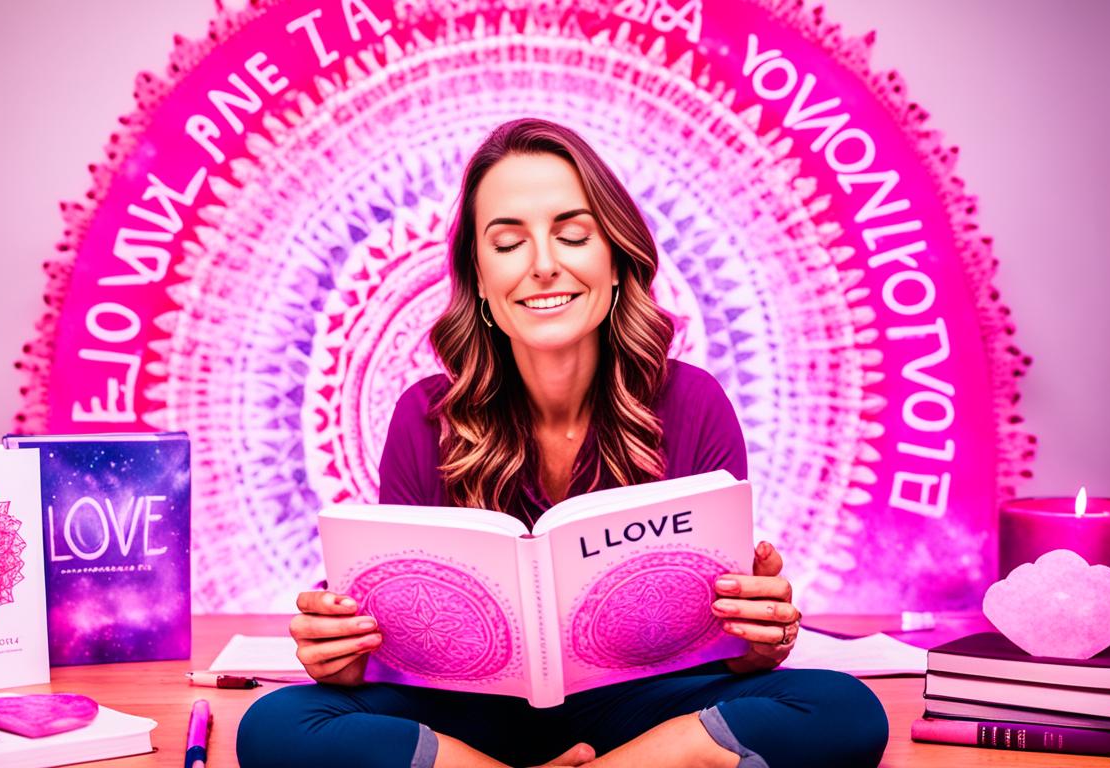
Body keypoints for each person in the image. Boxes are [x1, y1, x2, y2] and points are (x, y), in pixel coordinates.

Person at [237, 118, 889, 768]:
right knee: (275, 724)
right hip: (467, 721)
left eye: (573, 234)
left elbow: (724, 642)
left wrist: (756, 642)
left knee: (842, 709)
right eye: (509, 244)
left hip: (642, 713)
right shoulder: (422, 420)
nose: (545, 265)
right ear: (481, 283)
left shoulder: (694, 405)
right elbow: (398, 651)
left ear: (615, 262)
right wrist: (346, 657)